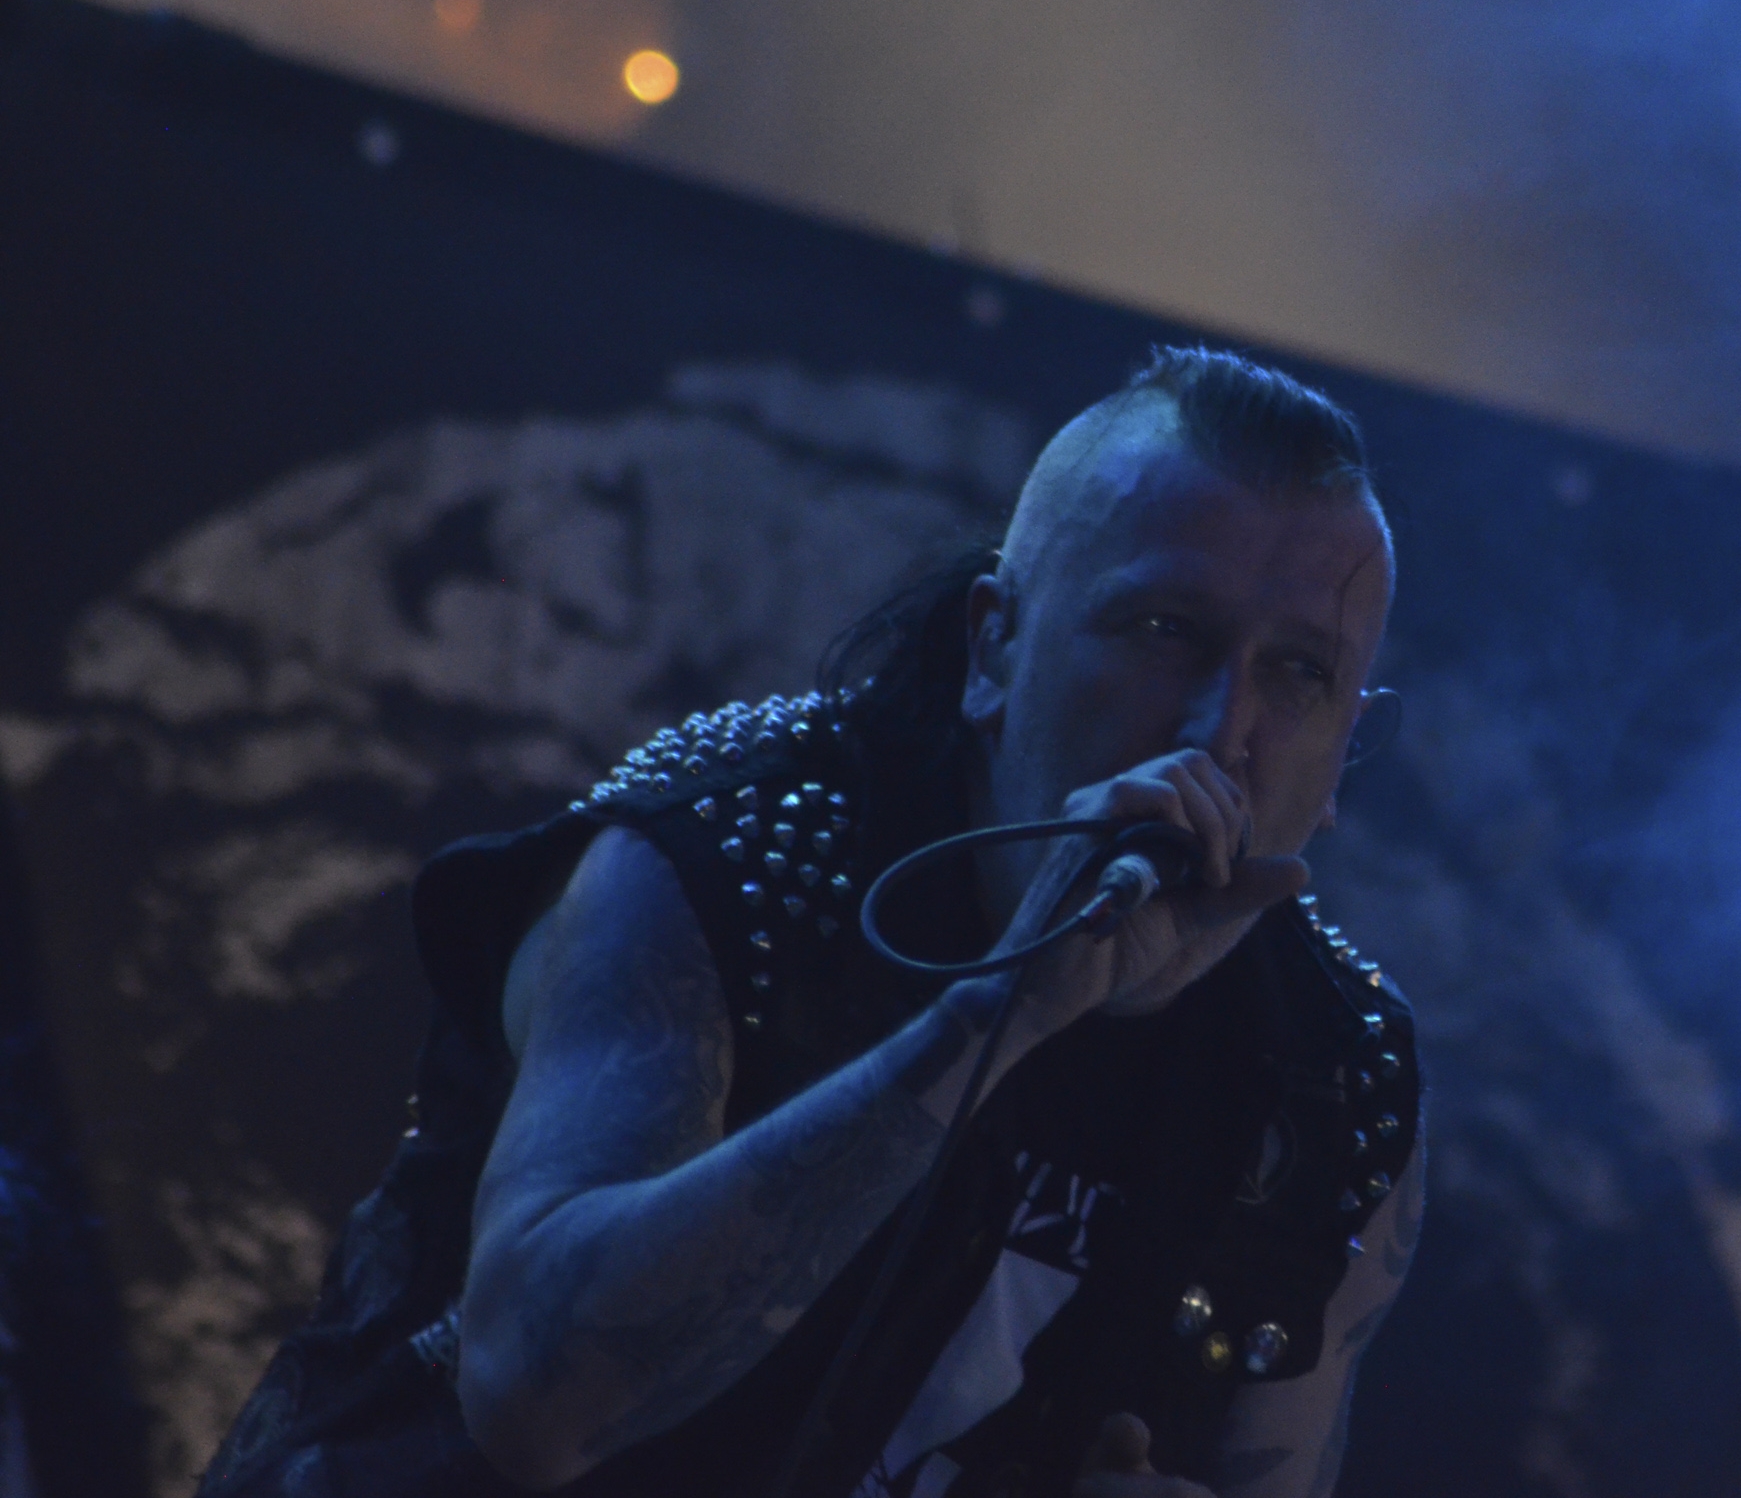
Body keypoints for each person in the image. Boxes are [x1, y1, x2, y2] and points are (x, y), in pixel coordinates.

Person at [200, 347, 1422, 1498]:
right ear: (993, 646)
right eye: (1165, 630)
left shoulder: (1334, 1076)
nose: (1220, 730)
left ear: (1350, 747)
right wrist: (1006, 1012)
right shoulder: (736, 852)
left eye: (1299, 673)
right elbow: (532, 1395)